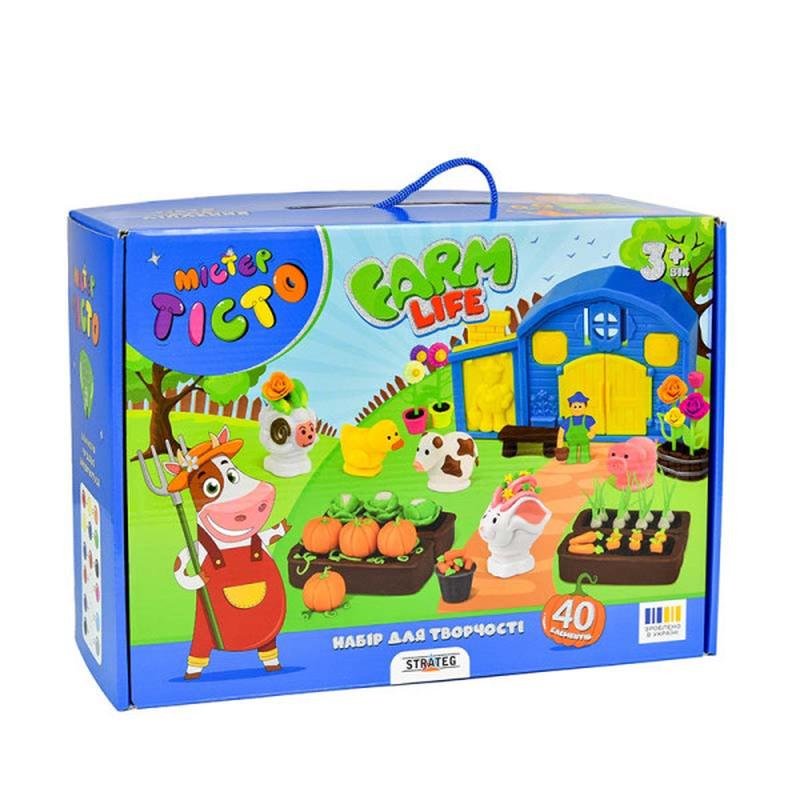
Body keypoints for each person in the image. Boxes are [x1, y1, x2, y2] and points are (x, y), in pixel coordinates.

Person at [557, 391, 596, 464]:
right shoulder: (568, 421)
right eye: (575, 406)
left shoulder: (588, 419)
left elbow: (593, 428)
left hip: (584, 440)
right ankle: (572, 459)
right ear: (570, 407)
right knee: (572, 450)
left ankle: (585, 458)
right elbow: (561, 432)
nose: (577, 409)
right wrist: (560, 445)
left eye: (580, 406)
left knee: (585, 450)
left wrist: (592, 433)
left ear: (585, 406)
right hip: (572, 442)